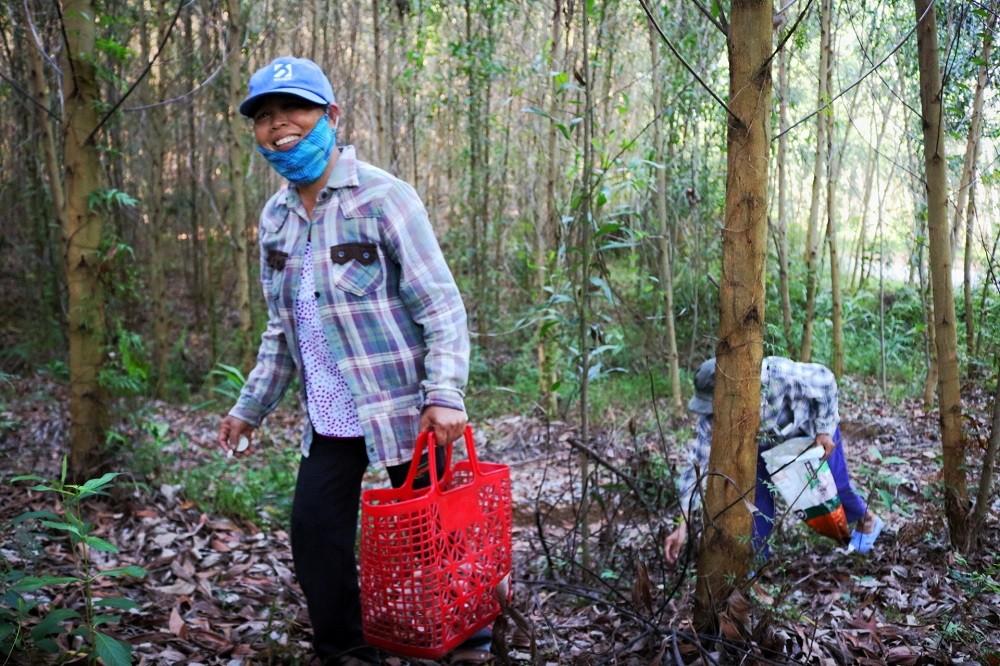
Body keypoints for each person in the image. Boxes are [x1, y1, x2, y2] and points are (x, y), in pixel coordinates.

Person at [215, 56, 477, 665]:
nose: (279, 124)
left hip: (405, 413)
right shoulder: (275, 219)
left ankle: (467, 636)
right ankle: (346, 648)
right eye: (265, 116)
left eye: (295, 110)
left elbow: (441, 307)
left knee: (434, 537)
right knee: (315, 536)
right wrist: (248, 409)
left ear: (332, 115)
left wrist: (445, 393)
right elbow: (282, 329)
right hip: (331, 415)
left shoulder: (384, 198)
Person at [663, 356, 885, 566]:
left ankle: (868, 520)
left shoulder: (776, 377)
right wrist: (682, 523)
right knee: (757, 499)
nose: (714, 412)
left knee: (835, 487)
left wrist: (825, 429)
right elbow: (698, 462)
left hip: (809, 433)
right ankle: (757, 560)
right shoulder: (714, 418)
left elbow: (825, 378)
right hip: (763, 444)